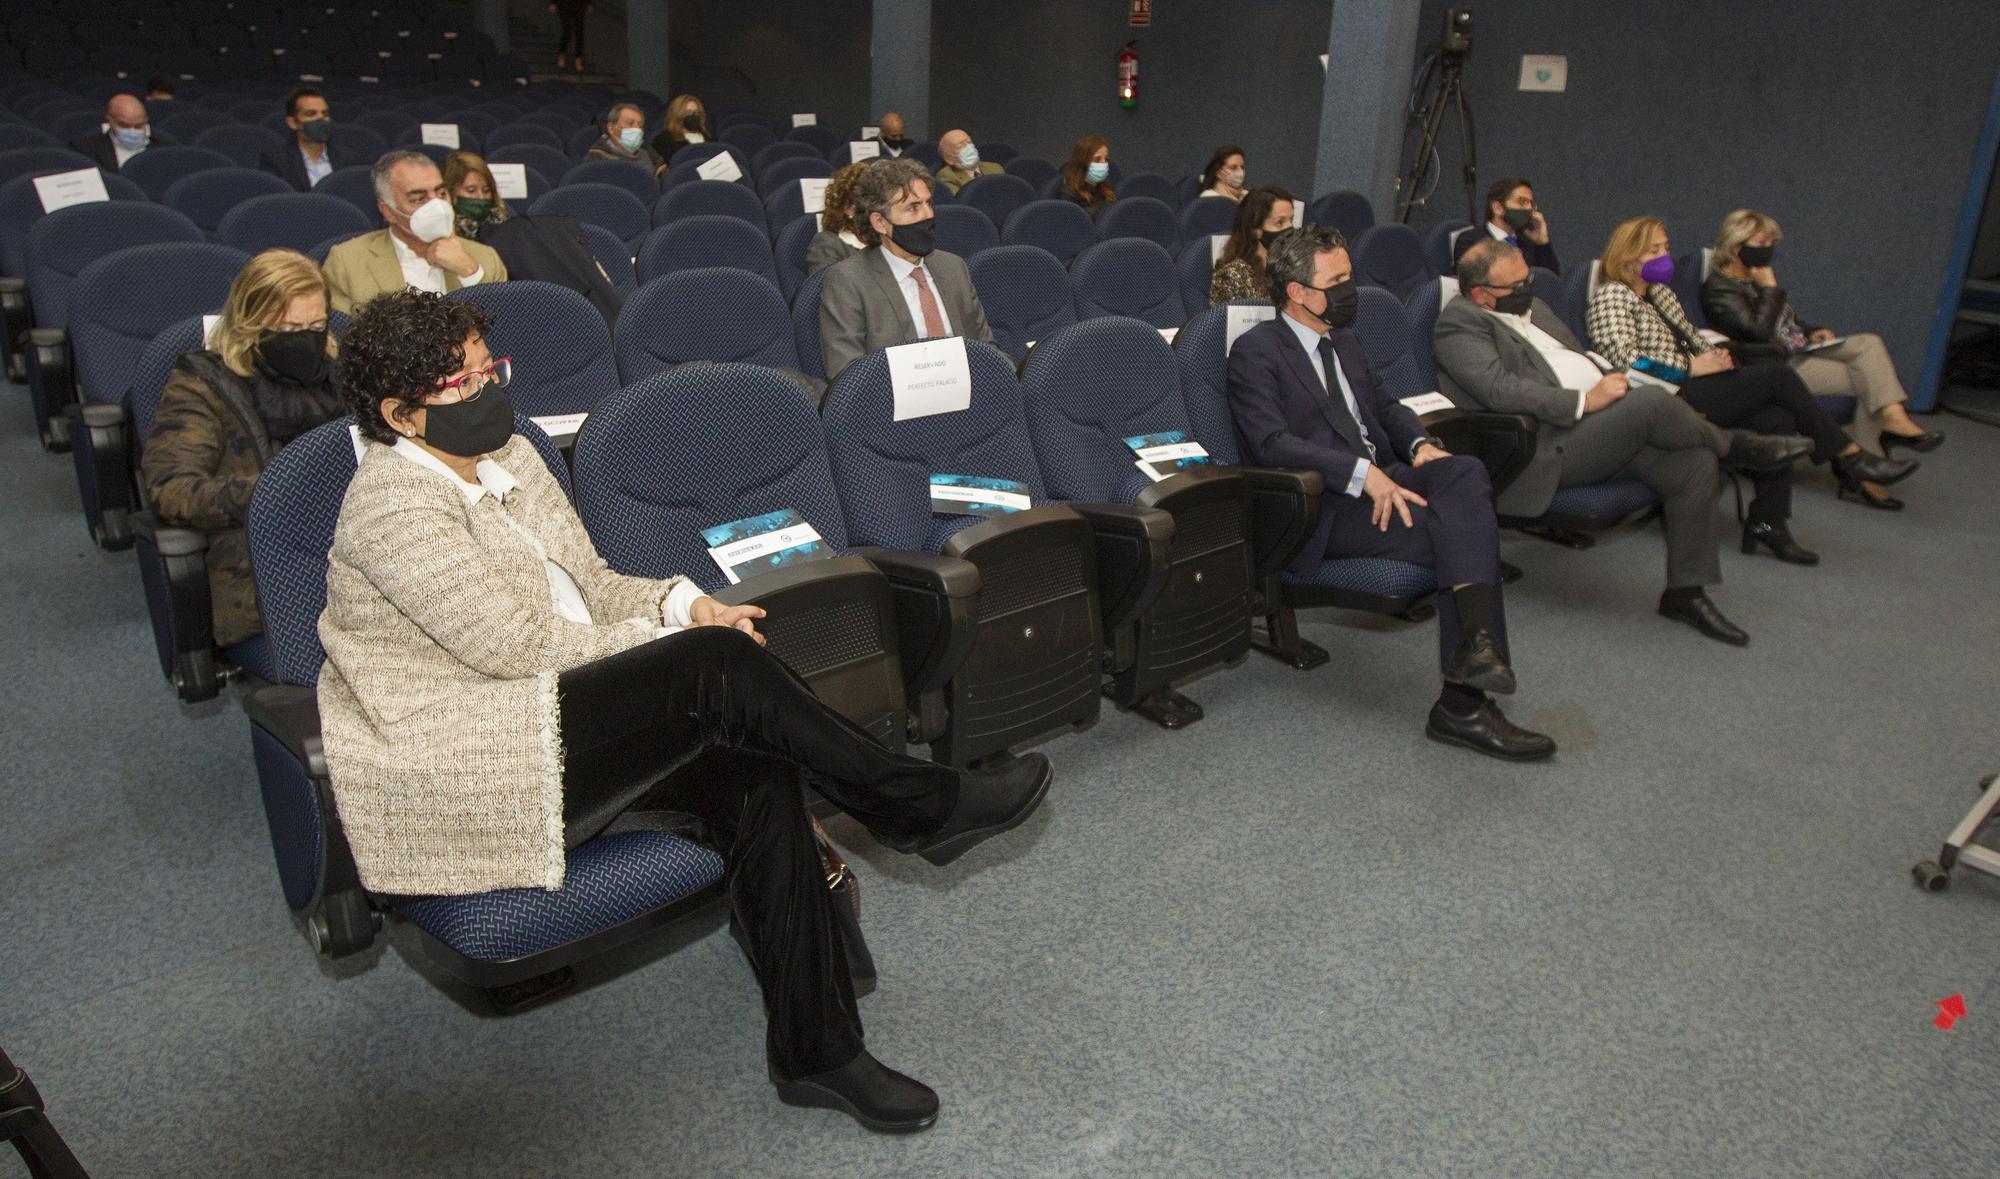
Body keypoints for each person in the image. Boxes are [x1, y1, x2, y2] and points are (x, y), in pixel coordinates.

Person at [320, 289, 1052, 1132]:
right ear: (401, 414)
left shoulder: (513, 456)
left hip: (574, 715)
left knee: (759, 773)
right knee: (715, 670)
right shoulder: (390, 507)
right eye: (466, 383)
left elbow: (590, 581)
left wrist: (680, 604)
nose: (493, 394)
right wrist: (675, 648)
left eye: (495, 371)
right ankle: (915, 803)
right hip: (482, 757)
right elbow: (515, 649)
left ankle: (821, 1051)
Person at [1226, 225, 1554, 761]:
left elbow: (1387, 408)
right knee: (1464, 534)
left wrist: (1420, 444)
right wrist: (1361, 472)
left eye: (1349, 276)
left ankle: (1473, 652)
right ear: (1298, 293)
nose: (1350, 290)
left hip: (1389, 475)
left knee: (1464, 472)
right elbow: (1270, 443)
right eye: (1338, 281)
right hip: (1325, 507)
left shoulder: (1347, 343)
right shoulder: (1255, 352)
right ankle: (1463, 703)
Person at [1435, 240, 1812, 645]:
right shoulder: (1459, 324)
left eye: (1528, 278)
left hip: (1600, 427)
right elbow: (1500, 390)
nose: (1528, 288)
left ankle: (1686, 592)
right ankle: (1739, 449)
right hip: (1543, 446)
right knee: (1652, 404)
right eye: (1516, 284)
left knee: (1694, 460)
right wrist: (1584, 399)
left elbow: (1581, 356)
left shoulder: (1532, 308)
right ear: (1480, 294)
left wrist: (1611, 380)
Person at [1586, 217, 1914, 561]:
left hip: (1698, 384)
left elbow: (1693, 340)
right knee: (1778, 377)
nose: (1664, 257)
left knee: (1778, 417)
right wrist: (1690, 367)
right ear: (1627, 257)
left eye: (1666, 248)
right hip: (1663, 398)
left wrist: (1713, 356)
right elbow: (1625, 362)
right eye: (1653, 251)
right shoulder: (1613, 296)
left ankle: (1769, 523)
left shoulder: (1660, 294)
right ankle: (1849, 456)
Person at [141, 249, 344, 656]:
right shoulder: (202, 384)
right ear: (251, 324)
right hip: (265, 573)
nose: (306, 339)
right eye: (289, 328)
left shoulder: (340, 371)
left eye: (317, 325)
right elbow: (171, 489)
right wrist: (281, 493)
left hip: (359, 550)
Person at [1702, 207, 1943, 506]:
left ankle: (1875, 454)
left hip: (1798, 351)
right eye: (1762, 244)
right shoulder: (1719, 290)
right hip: (1772, 367)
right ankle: (1882, 442)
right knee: (1868, 363)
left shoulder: (1754, 280)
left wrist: (1812, 331)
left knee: (1868, 363)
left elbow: (1785, 323)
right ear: (1737, 247)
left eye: (1770, 244)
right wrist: (1770, 289)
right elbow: (1758, 333)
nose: (1768, 251)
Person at [818, 158, 996, 379]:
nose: (928, 215)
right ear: (880, 223)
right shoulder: (848, 280)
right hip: (895, 404)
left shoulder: (953, 267)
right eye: (913, 208)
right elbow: (847, 375)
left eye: (928, 203)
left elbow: (986, 349)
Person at [444, 151, 624, 327]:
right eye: (471, 190)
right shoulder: (449, 242)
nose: (481, 198)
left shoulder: (512, 232)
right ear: (450, 194)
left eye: (486, 190)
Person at [324, 151, 507, 315]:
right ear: (388, 212)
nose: (436, 205)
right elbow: (339, 342)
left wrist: (469, 272)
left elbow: (506, 330)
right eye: (419, 198)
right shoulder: (347, 262)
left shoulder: (484, 259)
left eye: (441, 193)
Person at [1452, 176, 1559, 275]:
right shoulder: (1470, 240)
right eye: (1522, 202)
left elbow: (1552, 283)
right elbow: (1471, 281)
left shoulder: (1528, 241)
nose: (1529, 208)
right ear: (1498, 208)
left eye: (1531, 203)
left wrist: (1543, 243)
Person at [1209, 186, 1295, 305]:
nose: (1289, 229)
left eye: (1291, 220)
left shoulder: (1293, 269)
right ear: (1255, 229)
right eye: (1279, 222)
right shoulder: (1232, 275)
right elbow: (1224, 321)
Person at [258, 88, 351, 192]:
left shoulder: (347, 159)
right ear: (292, 123)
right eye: (311, 114)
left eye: (325, 113)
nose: (321, 118)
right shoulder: (275, 160)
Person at [69, 93, 173, 172]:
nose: (132, 131)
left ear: (146, 121)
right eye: (124, 125)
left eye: (138, 126)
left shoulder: (164, 147)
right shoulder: (86, 149)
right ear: (109, 121)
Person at [806, 159, 874, 276]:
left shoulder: (890, 237)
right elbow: (828, 289)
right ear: (849, 208)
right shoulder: (827, 244)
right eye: (872, 202)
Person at [583, 101, 665, 173]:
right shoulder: (597, 160)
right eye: (630, 123)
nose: (637, 129)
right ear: (611, 128)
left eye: (640, 126)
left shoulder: (646, 153)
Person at [933, 128, 1001, 195]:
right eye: (960, 146)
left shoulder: (995, 168)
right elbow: (960, 201)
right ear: (949, 159)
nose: (968, 147)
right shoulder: (947, 176)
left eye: (969, 142)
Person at [1060, 135, 1115, 215]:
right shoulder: (1069, 193)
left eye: (1106, 159)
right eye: (1097, 159)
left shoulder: (1105, 187)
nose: (1104, 163)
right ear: (1083, 162)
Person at [651, 94, 709, 165]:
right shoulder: (664, 140)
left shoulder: (708, 138)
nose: (694, 116)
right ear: (677, 114)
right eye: (688, 113)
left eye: (697, 113)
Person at [549, 0, 590, 72]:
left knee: (579, 32)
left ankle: (578, 59)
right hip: (564, 4)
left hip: (579, 5)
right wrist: (553, 2)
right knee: (567, 31)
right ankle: (562, 53)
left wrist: (589, 3)